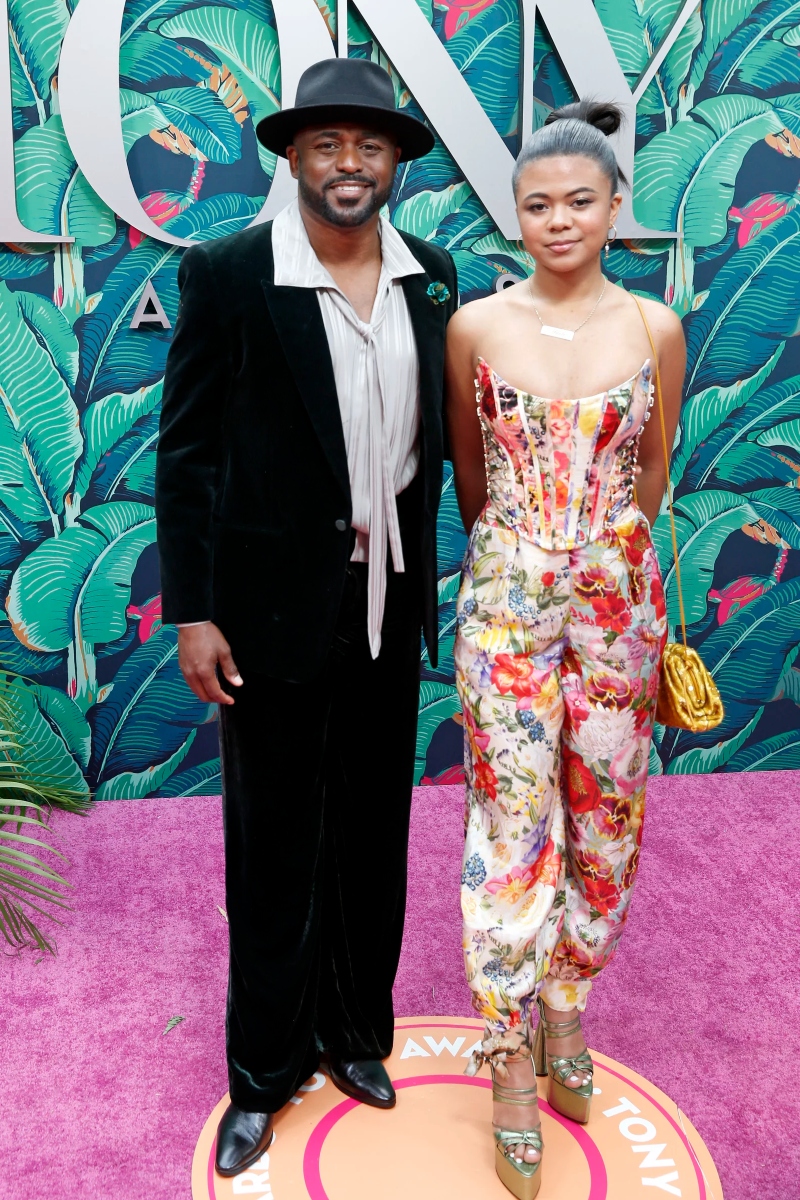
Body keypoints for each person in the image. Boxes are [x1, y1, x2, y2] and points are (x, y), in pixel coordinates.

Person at [155, 58, 457, 1177]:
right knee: (274, 847)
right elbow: (186, 456)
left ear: (395, 163)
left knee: (374, 834)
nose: (348, 163)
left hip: (386, 605)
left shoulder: (433, 277)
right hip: (268, 614)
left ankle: (354, 1032)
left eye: (369, 145)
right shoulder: (230, 274)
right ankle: (263, 1071)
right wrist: (193, 612)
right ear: (292, 158)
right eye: (326, 144)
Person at [445, 101, 685, 1199]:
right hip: (506, 594)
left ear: (613, 206)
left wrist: (600, 559)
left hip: (617, 601)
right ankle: (507, 1047)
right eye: (536, 204)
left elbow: (652, 473)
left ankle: (567, 1003)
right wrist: (525, 555)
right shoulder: (475, 327)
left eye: (578, 201)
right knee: (508, 817)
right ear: (516, 214)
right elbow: (470, 472)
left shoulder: (653, 326)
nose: (557, 220)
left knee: (606, 810)